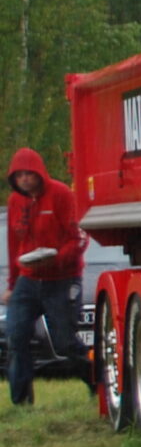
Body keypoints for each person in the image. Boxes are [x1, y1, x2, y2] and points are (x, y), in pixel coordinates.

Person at [5, 148, 87, 407]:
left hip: (61, 279)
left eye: (30, 174)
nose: (25, 179)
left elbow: (78, 238)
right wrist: (12, 283)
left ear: (40, 173)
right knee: (16, 336)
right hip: (27, 281)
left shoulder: (61, 194)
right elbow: (12, 243)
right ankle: (21, 402)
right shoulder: (15, 202)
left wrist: (58, 258)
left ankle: (95, 377)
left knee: (64, 342)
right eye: (20, 175)